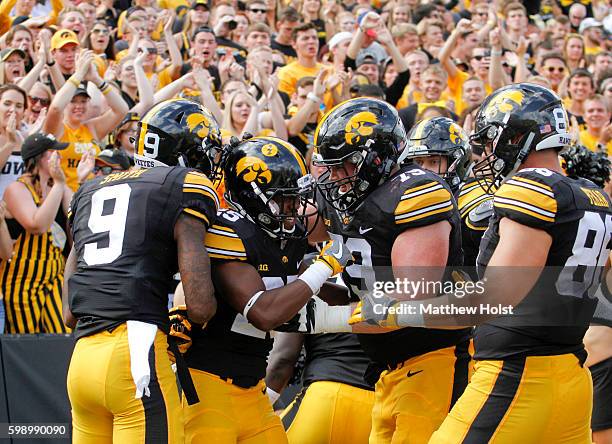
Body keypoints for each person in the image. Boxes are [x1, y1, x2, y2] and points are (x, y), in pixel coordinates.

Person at [358, 83, 612, 443]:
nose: (487, 153)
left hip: (517, 375)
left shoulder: (531, 188)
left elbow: (493, 297)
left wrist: (400, 310)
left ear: (518, 137)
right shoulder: (594, 195)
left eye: (492, 141)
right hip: (571, 374)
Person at [311, 97, 472, 443]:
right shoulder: (360, 201)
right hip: (389, 371)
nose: (337, 177)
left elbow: (410, 301)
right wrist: (313, 283)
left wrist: (318, 321)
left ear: (377, 158)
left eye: (346, 166)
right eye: (333, 166)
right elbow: (363, 293)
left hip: (433, 362)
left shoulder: (416, 190)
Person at [63, 99, 221, 442]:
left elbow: (68, 313)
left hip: (81, 360)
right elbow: (200, 306)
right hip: (136, 354)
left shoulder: (91, 188)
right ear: (184, 153)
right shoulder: (183, 185)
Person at [182, 136, 350, 443]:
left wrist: (357, 290)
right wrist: (324, 265)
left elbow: (305, 284)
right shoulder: (228, 232)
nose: (296, 208)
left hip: (252, 387)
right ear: (253, 196)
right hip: (207, 385)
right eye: (286, 199)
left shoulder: (288, 236)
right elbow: (264, 312)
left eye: (297, 198)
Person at [1, 132, 73, 334]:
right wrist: (59, 185)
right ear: (40, 157)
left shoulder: (59, 187)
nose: (59, 157)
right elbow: (36, 225)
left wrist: (65, 184)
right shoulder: (16, 188)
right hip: (22, 280)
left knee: (61, 335)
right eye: (54, 152)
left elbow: (78, 216)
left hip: (53, 275)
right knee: (24, 344)